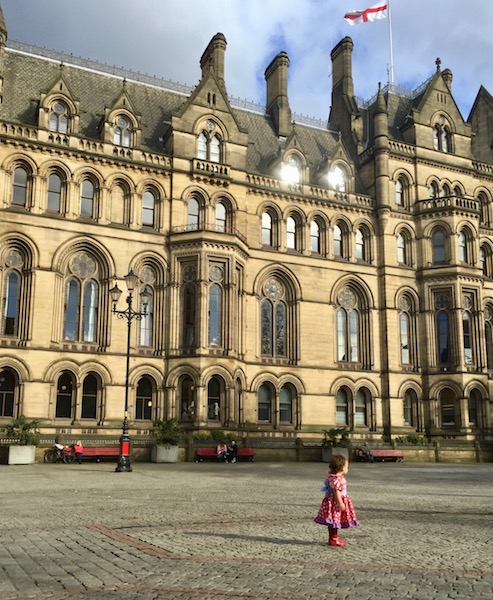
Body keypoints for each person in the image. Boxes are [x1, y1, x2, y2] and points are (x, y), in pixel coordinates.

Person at [314, 454, 359, 546]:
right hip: (335, 502)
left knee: (332, 520)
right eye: (347, 467)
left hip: (330, 501)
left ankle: (333, 537)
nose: (347, 469)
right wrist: (341, 503)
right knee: (335, 520)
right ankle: (333, 538)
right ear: (342, 468)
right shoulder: (338, 480)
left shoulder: (331, 477)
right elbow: (337, 491)